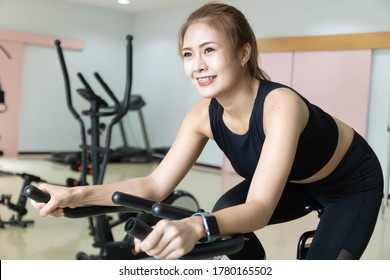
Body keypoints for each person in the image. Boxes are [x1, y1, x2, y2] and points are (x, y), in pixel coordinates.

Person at [31, 2, 383, 260]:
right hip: (293, 182)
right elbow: (153, 186)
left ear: (243, 52)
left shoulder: (280, 105)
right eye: (187, 54)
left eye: (209, 51)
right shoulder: (202, 116)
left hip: (350, 185)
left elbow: (259, 208)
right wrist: (76, 195)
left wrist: (196, 226)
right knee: (224, 214)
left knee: (218, 221)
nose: (197, 65)